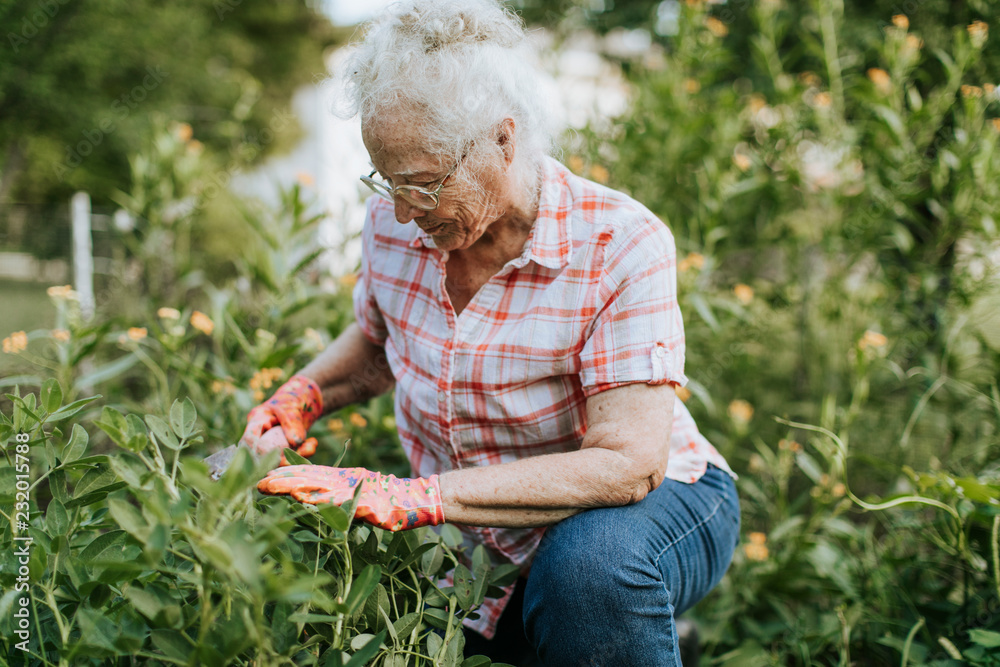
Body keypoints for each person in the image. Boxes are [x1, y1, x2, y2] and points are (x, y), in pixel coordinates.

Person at [241, 1, 740, 664]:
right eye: (384, 180)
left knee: (588, 573)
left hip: (654, 504)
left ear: (503, 140)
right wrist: (300, 397)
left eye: (421, 183)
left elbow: (628, 465)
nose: (399, 210)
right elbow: (376, 339)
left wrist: (414, 497)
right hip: (486, 533)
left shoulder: (621, 242)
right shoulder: (394, 223)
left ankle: (618, 608)